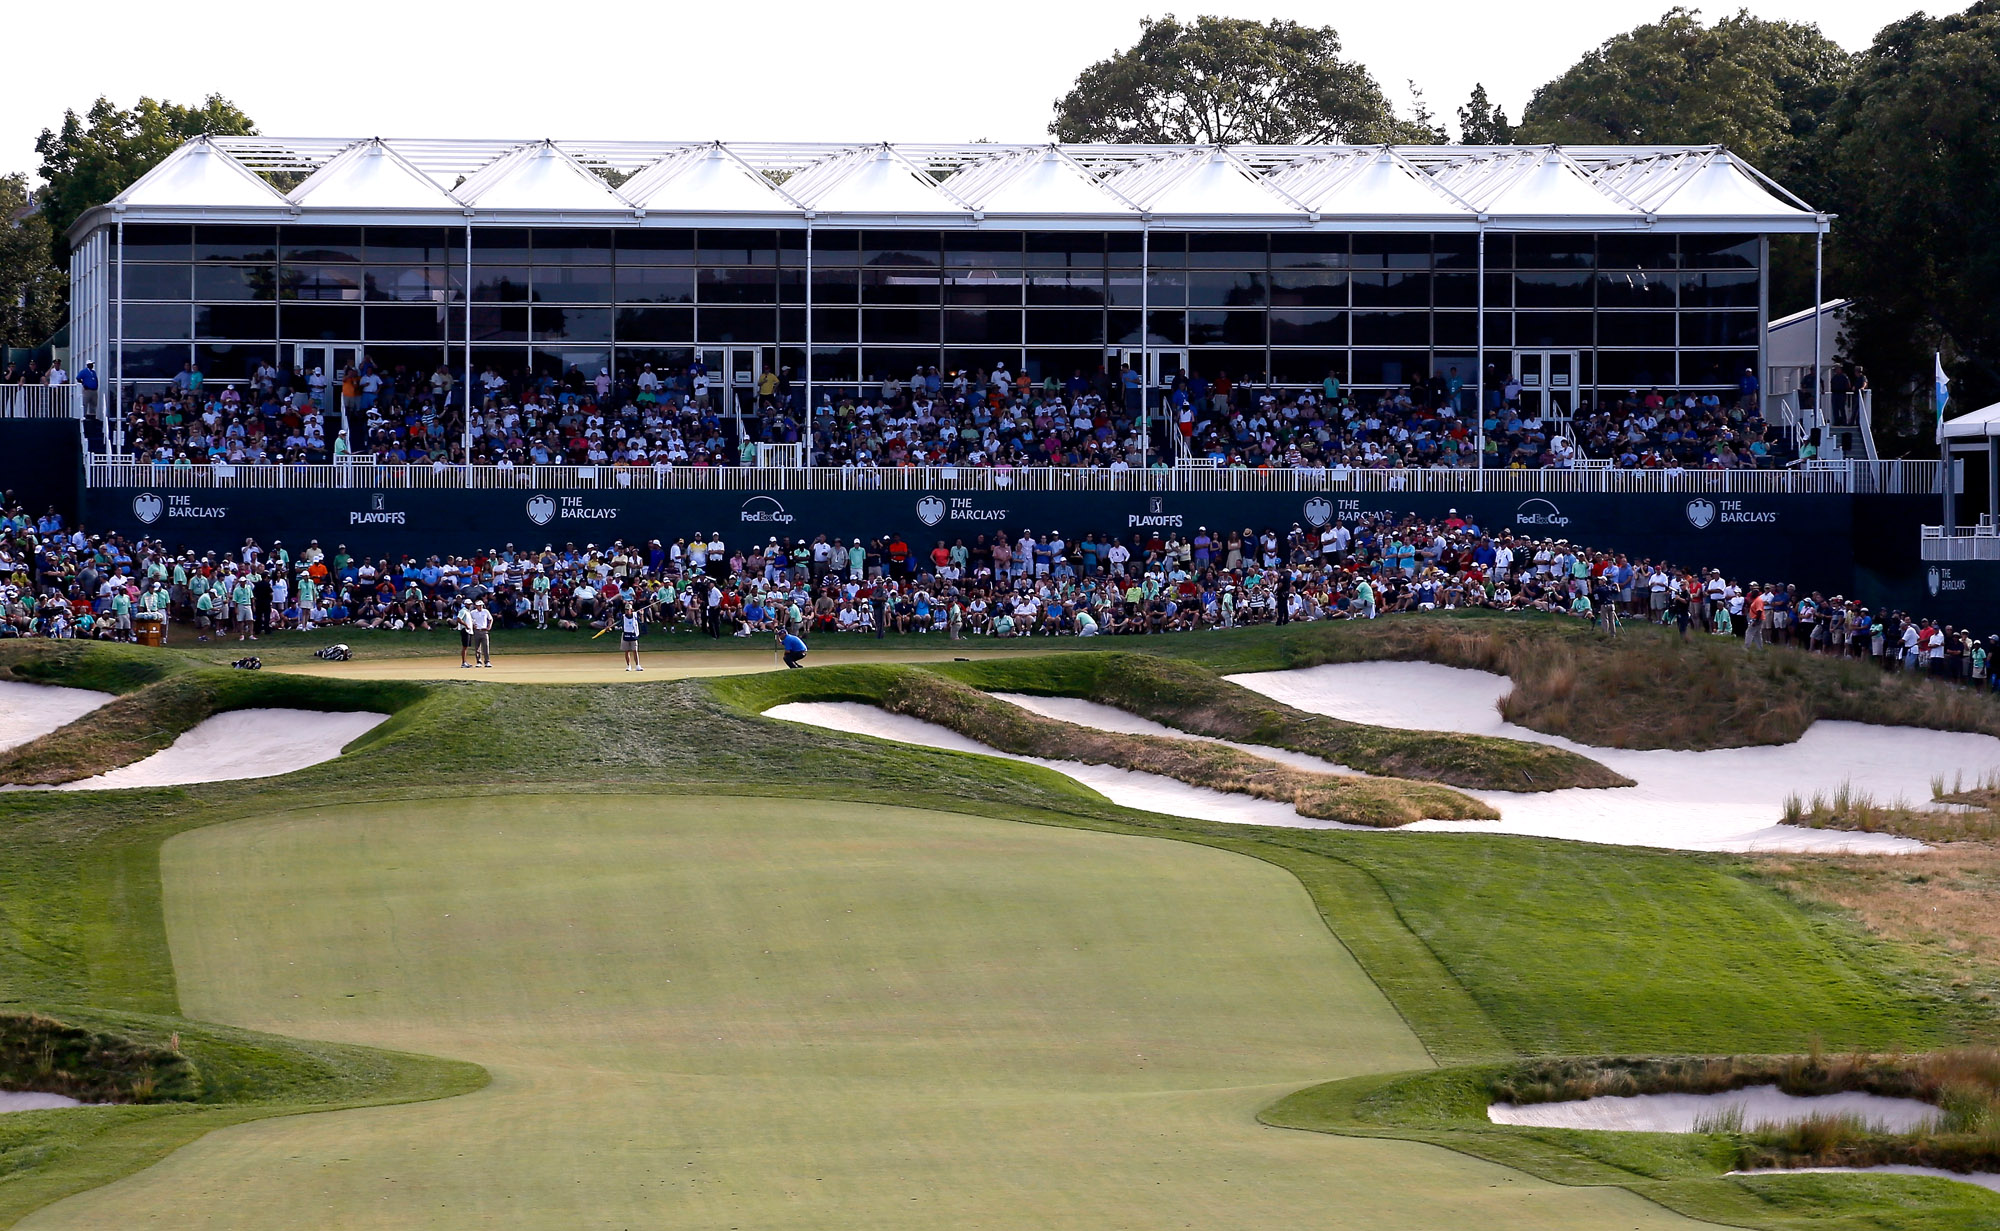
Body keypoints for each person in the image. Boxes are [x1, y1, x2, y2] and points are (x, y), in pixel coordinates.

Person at [620, 601, 644, 672]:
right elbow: (620, 624)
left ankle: (637, 665)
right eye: (626, 610)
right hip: (625, 635)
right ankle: (628, 666)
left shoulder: (635, 615)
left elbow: (641, 622)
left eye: (628, 610)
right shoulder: (623, 617)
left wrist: (642, 615)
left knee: (635, 651)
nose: (627, 611)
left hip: (633, 634)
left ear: (631, 610)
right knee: (626, 651)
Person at [469, 598, 493, 667]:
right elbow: (470, 620)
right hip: (476, 631)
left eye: (481, 605)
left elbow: (490, 619)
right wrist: (473, 625)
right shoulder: (473, 612)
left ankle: (487, 661)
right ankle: (478, 661)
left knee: (486, 647)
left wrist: (489, 627)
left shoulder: (485, 611)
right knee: (477, 648)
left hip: (484, 631)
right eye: (479, 605)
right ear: (476, 606)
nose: (480, 607)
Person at [456, 600, 476, 668]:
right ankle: (463, 662)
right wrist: (466, 625)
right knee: (465, 646)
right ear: (465, 604)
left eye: (470, 604)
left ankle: (465, 662)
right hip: (465, 630)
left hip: (468, 630)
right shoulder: (463, 611)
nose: (469, 605)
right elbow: (459, 619)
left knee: (466, 647)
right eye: (468, 604)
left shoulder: (468, 611)